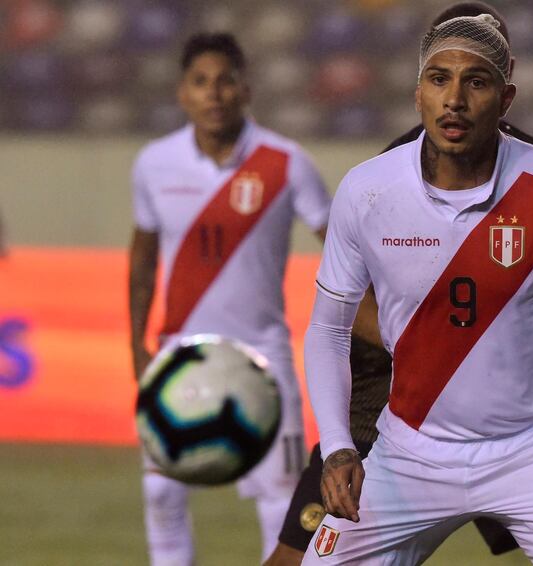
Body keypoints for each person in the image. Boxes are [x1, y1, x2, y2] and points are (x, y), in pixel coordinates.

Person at [266, 4, 533, 566]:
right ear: (416, 92)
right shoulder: (368, 191)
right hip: (409, 449)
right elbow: (329, 326)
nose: (454, 98)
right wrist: (337, 448)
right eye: (439, 79)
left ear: (506, 98)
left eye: (475, 81)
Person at [128, 33, 332, 565]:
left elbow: (341, 247)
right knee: (161, 493)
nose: (213, 93)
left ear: (246, 89)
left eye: (225, 81)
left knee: (281, 502)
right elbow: (143, 260)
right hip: (181, 358)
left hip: (263, 356)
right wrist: (136, 346)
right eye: (201, 82)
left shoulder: (285, 163)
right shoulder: (154, 164)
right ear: (182, 94)